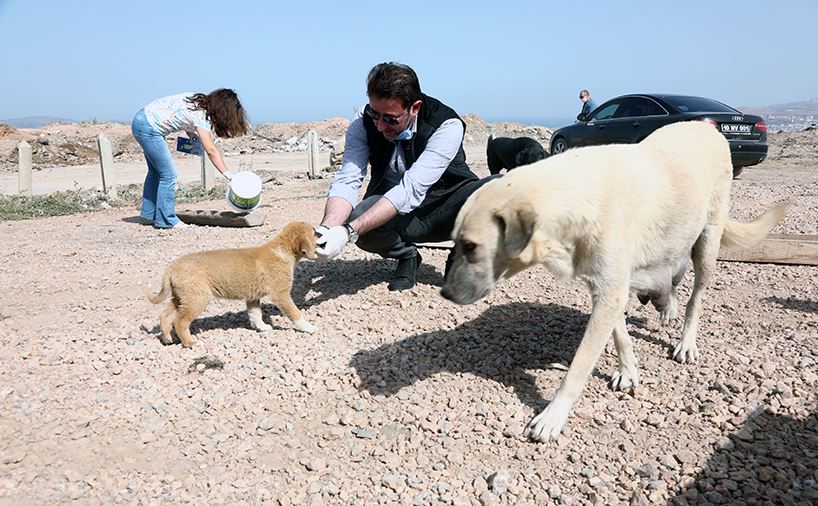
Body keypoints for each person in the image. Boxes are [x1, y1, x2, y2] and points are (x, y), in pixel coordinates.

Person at [315, 62, 498, 291]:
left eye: (391, 119)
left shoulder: (446, 125)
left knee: (503, 189)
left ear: (415, 107)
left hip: (448, 208)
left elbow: (410, 189)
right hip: (400, 214)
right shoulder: (362, 123)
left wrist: (347, 232)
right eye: (375, 114)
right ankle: (408, 256)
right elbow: (348, 179)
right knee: (361, 217)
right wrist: (326, 231)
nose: (380, 126)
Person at [131, 89, 249, 229]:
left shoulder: (196, 100)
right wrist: (227, 174)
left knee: (156, 172)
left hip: (142, 119)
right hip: (149, 129)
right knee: (169, 175)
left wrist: (190, 133)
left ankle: (148, 215)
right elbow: (211, 150)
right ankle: (166, 220)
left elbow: (180, 113)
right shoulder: (201, 116)